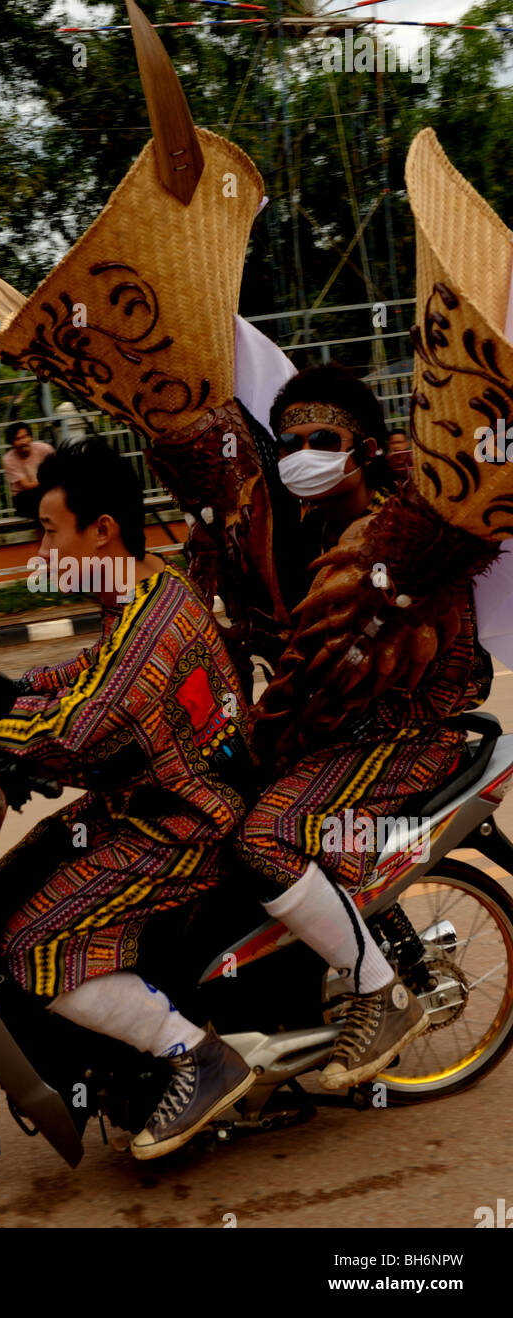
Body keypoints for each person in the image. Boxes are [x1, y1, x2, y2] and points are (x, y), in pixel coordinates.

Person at [0, 438, 259, 1160]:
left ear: (101, 531)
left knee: (28, 944)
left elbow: (76, 731)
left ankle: (196, 1057)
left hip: (186, 824)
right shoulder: (139, 588)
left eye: (51, 532)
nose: (43, 549)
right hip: (143, 803)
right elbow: (82, 676)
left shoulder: (149, 627)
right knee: (2, 891)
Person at [233, 363, 493, 1089]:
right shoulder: (314, 529)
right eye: (287, 444)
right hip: (347, 735)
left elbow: (313, 682)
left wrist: (258, 743)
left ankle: (381, 991)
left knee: (260, 840)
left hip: (404, 740)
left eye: (321, 439)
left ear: (367, 451)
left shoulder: (382, 542)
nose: (301, 456)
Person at [1, 422, 54, 521]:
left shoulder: (45, 449)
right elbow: (26, 485)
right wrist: (48, 481)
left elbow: (58, 470)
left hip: (46, 492)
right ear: (12, 443)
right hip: (24, 497)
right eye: (18, 439)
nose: (23, 442)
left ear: (30, 437)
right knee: (43, 504)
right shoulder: (8, 459)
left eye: (25, 437)